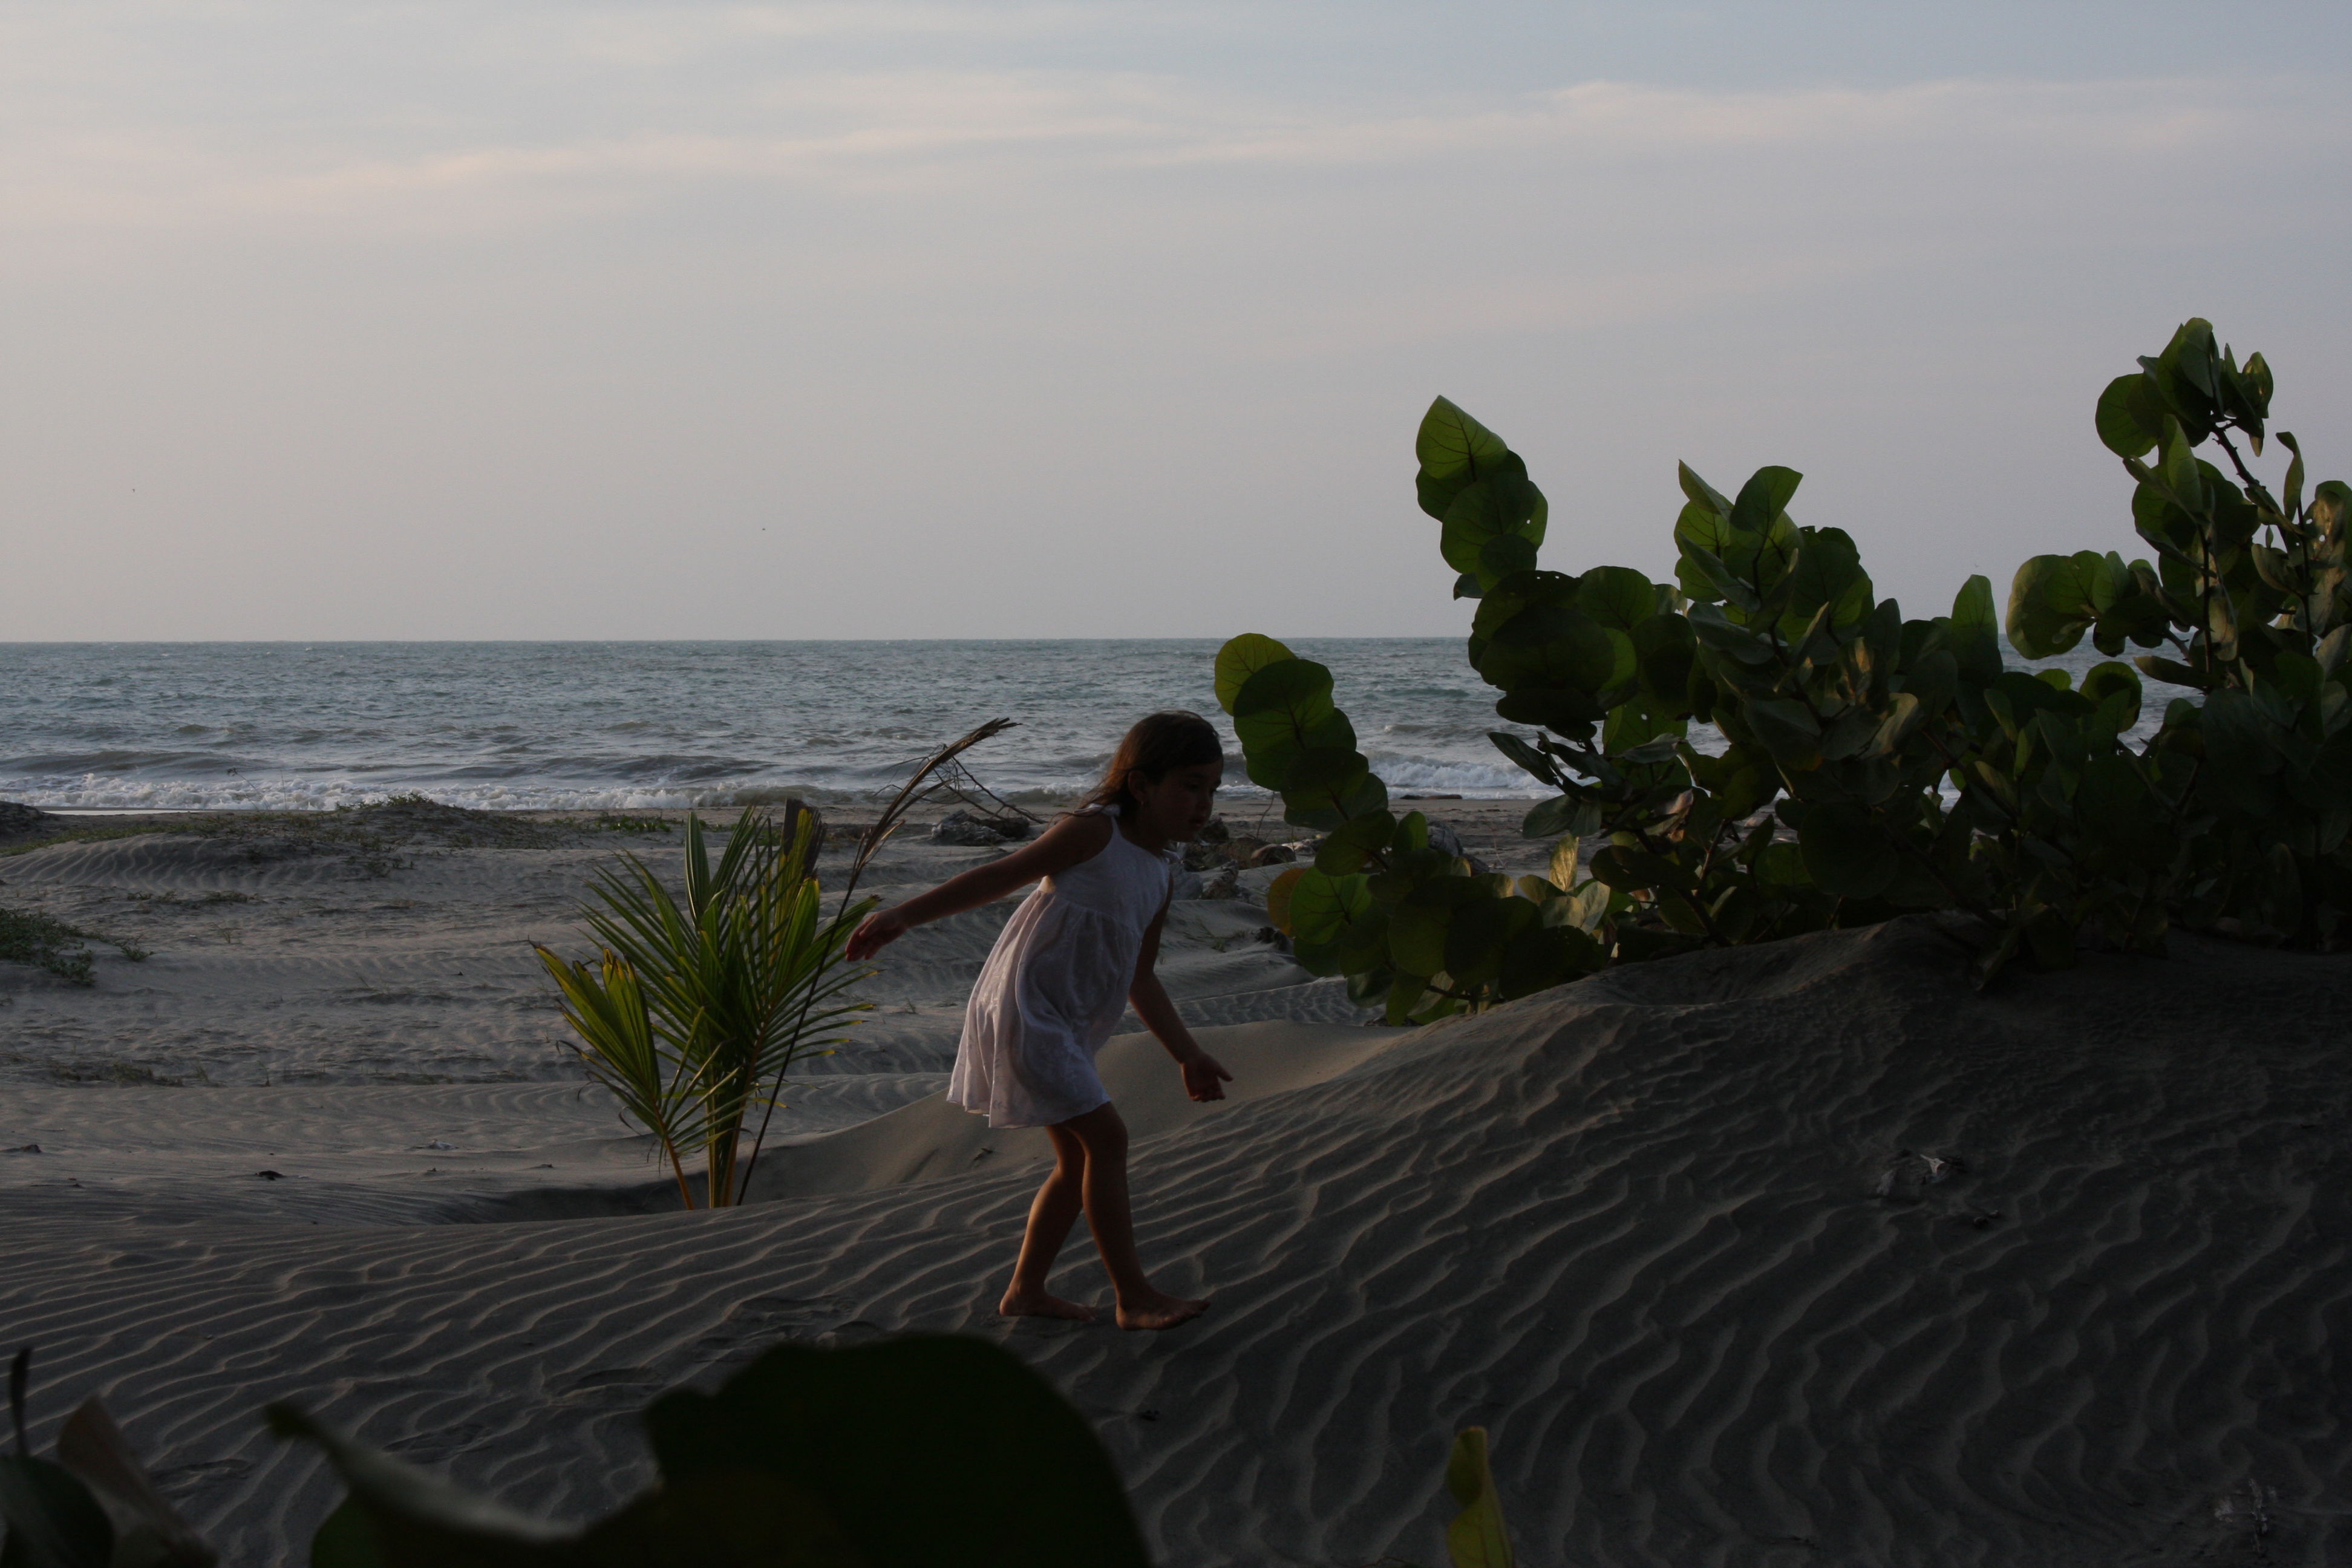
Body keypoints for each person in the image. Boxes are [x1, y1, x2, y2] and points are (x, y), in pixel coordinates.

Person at [846, 711, 1235, 1330]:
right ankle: (1132, 1298)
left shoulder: (1160, 875)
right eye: (1190, 785)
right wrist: (907, 915)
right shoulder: (1094, 833)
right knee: (1107, 1140)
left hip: (1069, 1026)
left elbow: (1141, 976)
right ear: (1140, 785)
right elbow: (1001, 875)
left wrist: (1186, 1053)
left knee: (1079, 1159)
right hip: (1025, 1011)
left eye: (1213, 789)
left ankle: (1026, 1291)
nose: (1203, 804)